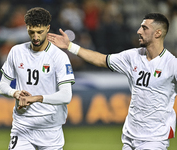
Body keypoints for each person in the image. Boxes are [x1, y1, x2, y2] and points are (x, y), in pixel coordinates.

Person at [47, 13, 177, 150]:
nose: (139, 31)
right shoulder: (133, 56)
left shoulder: (171, 64)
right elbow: (101, 59)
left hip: (155, 139)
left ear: (158, 33)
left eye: (144, 28)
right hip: (130, 137)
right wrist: (70, 46)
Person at [0, 7, 75, 150]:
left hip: (50, 130)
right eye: (31, 32)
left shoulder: (59, 57)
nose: (35, 37)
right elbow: (2, 86)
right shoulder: (16, 51)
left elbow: (66, 96)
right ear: (26, 28)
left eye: (40, 32)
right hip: (22, 127)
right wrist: (15, 93)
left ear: (48, 28)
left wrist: (35, 98)